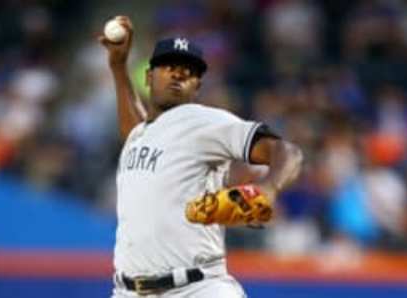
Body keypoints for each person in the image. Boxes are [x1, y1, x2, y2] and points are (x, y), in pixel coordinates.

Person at [99, 16, 303, 298]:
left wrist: (269, 188)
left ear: (197, 86)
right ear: (148, 77)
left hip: (196, 288)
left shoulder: (205, 122)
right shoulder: (142, 134)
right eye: (169, 66)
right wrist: (118, 67)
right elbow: (136, 130)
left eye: (189, 71)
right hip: (128, 291)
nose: (178, 73)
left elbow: (287, 152)